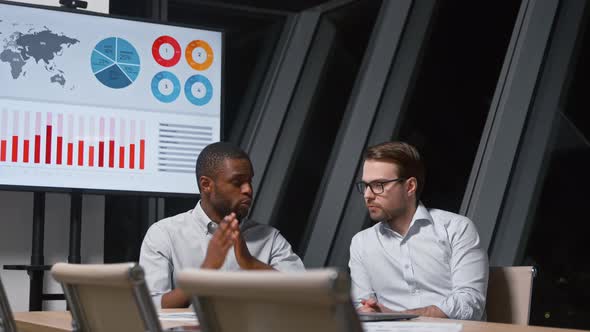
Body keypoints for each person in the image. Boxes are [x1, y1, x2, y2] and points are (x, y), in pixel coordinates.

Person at [140, 142, 304, 308]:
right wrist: (205, 271)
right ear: (206, 185)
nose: (248, 189)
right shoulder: (164, 234)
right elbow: (151, 307)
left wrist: (250, 263)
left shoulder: (270, 238)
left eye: (249, 181)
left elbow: (305, 296)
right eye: (237, 182)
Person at [349, 141, 488, 320]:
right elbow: (363, 307)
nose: (368, 195)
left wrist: (399, 315)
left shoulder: (456, 229)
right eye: (365, 185)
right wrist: (369, 312)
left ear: (410, 187)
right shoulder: (361, 243)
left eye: (378, 185)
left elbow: (470, 304)